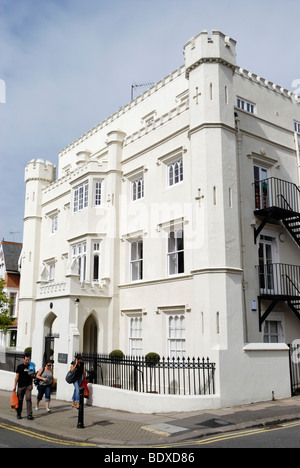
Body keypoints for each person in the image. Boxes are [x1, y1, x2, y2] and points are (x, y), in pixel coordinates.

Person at [13, 353, 34, 420]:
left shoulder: (30, 367)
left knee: (28, 399)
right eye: (26, 360)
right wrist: (14, 386)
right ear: (23, 359)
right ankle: (18, 413)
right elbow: (17, 377)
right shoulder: (20, 367)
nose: (27, 361)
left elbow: (31, 377)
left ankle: (29, 414)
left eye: (28, 360)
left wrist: (32, 384)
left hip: (28, 386)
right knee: (20, 400)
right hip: (20, 386)